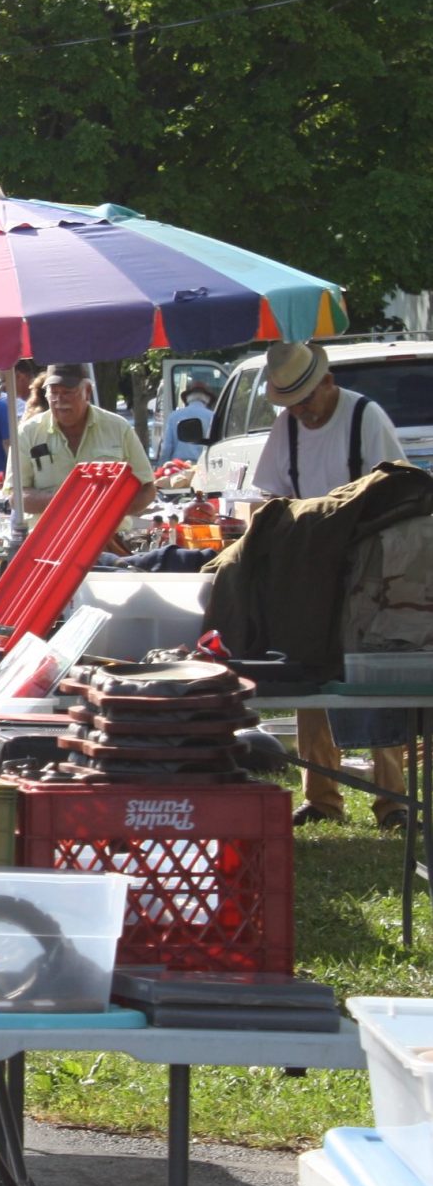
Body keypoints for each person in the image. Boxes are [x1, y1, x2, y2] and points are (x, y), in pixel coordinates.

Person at [253, 341, 408, 833]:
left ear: (327, 383)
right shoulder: (288, 427)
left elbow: (398, 491)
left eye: (306, 400)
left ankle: (393, 801)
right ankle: (321, 796)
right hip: (310, 566)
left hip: (369, 563)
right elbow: (270, 496)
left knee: (377, 677)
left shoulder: (367, 417)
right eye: (291, 404)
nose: (301, 412)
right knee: (309, 673)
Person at [5, 362, 155, 517]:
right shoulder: (28, 432)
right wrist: (68, 502)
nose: (59, 400)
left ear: (88, 392)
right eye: (54, 393)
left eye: (67, 392)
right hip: (49, 539)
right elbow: (16, 495)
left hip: (109, 537)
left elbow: (147, 488)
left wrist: (110, 511)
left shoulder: (118, 428)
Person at [158, 380, 217, 464]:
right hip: (203, 465)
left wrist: (162, 465)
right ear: (207, 399)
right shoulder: (213, 416)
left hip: (178, 465)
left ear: (188, 398)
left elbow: (167, 447)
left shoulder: (174, 416)